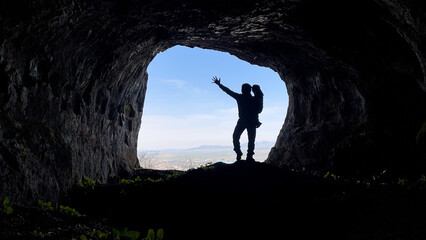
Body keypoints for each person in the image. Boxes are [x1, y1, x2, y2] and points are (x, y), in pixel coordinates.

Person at [212, 76, 258, 162]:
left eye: (242, 88)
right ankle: (249, 156)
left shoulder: (240, 97)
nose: (241, 90)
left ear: (244, 90)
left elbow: (228, 91)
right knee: (251, 140)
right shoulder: (254, 99)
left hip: (243, 120)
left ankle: (239, 154)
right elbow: (257, 111)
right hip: (252, 121)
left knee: (236, 137)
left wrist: (219, 84)